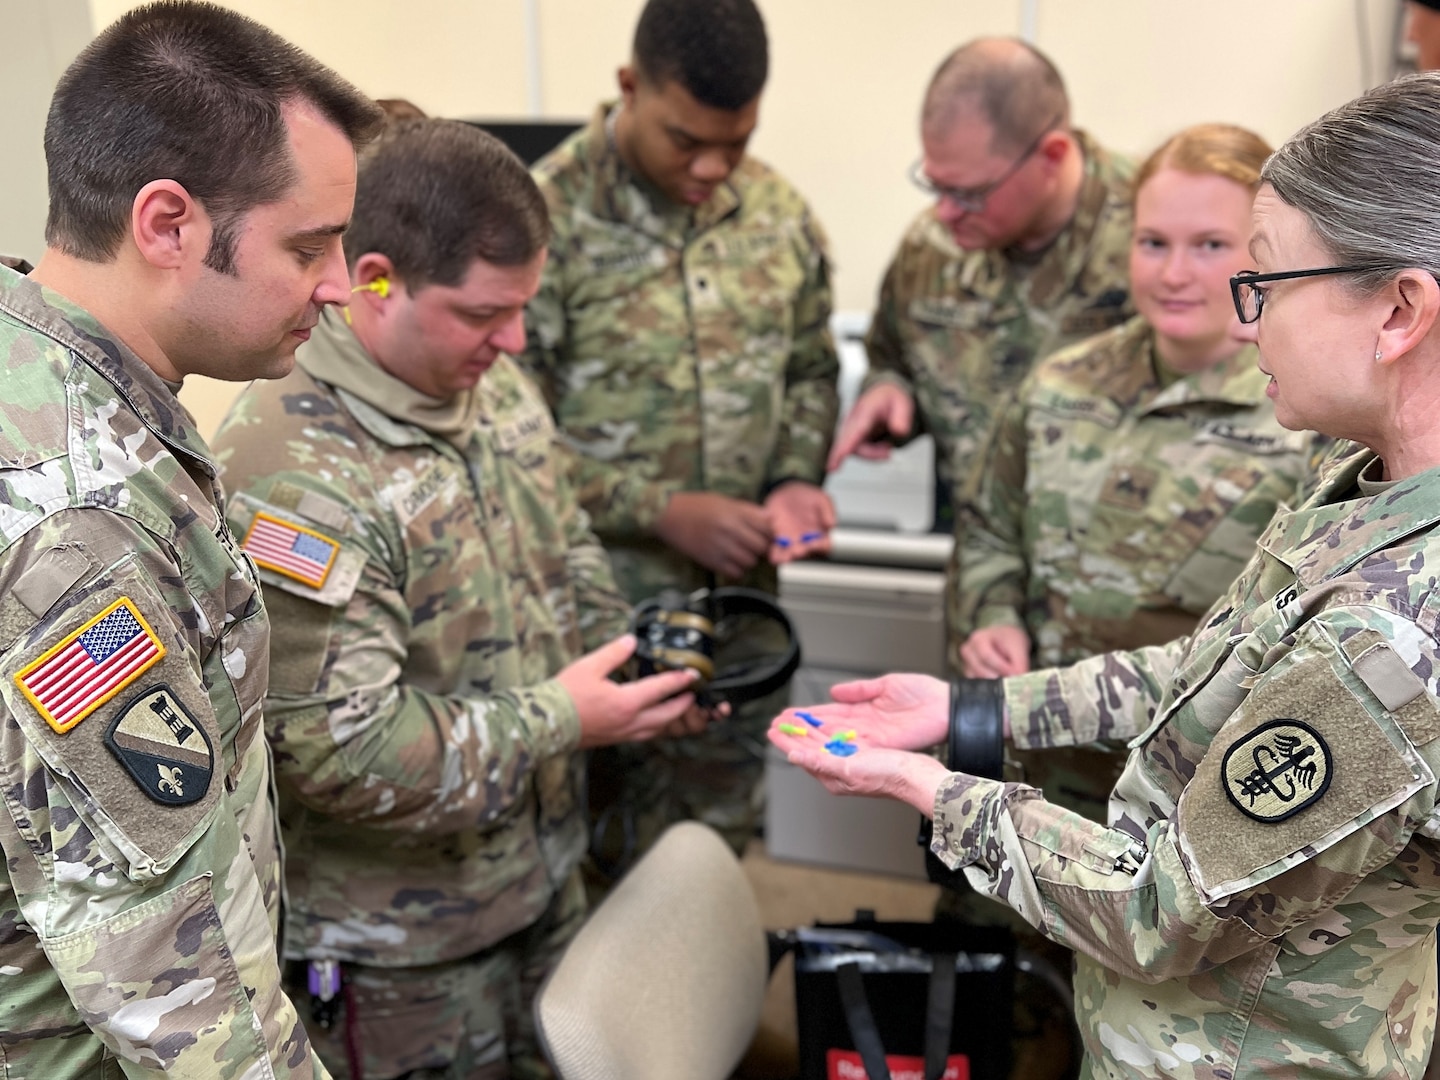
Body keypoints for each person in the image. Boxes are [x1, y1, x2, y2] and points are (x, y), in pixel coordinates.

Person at [773, 72, 1440, 1079]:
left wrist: (926, 786)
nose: (1243, 321)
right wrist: (971, 711)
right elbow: (1204, 670)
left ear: (1398, 311)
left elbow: (1158, 907)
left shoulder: (1391, 636)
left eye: (1261, 282)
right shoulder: (1355, 484)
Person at [212, 119, 706, 1080]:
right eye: (485, 314)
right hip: (403, 952)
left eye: (522, 309)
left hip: (544, 882)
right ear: (378, 280)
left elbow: (565, 543)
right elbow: (344, 754)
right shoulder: (295, 467)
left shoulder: (496, 386)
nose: (514, 341)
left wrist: (635, 670)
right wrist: (566, 718)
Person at [0, 2, 382, 1075]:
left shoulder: (41, 376)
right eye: (308, 245)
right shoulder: (82, 522)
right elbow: (172, 980)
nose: (341, 284)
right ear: (167, 224)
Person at [520, 0, 838, 874]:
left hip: (736, 610)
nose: (711, 165)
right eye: (684, 138)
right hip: (597, 617)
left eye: (734, 142)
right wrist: (660, 511)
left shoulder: (776, 214)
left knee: (716, 842)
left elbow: (811, 369)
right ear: (629, 87)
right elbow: (504, 438)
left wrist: (792, 479)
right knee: (595, 850)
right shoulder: (541, 223)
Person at [954, 123, 1325, 824]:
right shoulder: (1061, 384)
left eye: (1210, 246)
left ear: (1264, 253)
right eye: (1153, 243)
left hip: (1189, 789)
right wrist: (991, 615)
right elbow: (988, 529)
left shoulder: (1302, 407)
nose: (1173, 273)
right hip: (1032, 764)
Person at [829, 37, 1133, 547]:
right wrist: (888, 392)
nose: (944, 211)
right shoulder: (932, 248)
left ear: (1052, 156)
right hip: (979, 582)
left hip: (1116, 590)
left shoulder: (1160, 238)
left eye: (968, 193)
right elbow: (893, 357)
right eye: (935, 185)